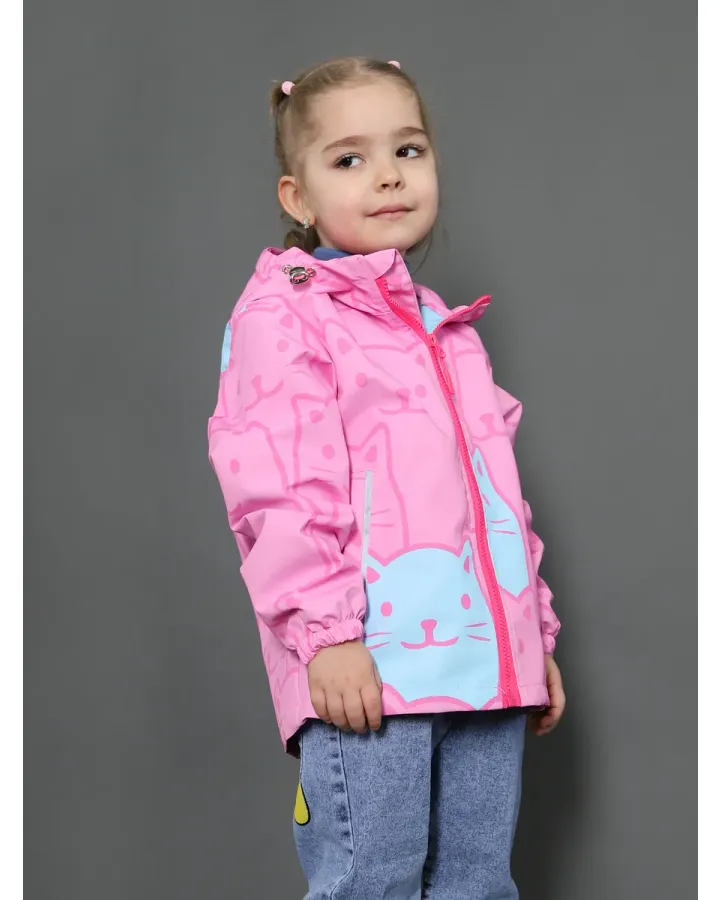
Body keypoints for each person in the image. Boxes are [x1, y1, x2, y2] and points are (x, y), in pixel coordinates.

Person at [208, 55, 565, 900]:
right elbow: (279, 485)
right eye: (349, 158)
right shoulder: (284, 315)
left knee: (478, 882)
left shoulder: (447, 331)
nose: (389, 176)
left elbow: (497, 500)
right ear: (298, 197)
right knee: (372, 880)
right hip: (370, 668)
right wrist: (326, 634)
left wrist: (532, 636)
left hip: (485, 669)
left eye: (408, 150)